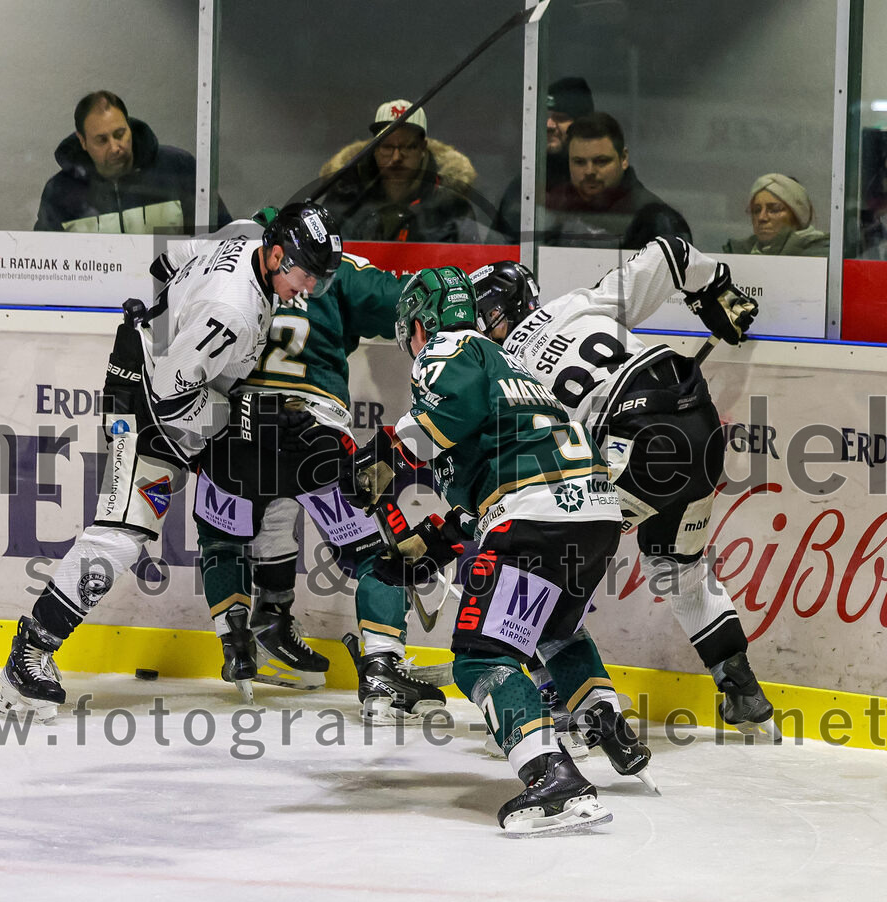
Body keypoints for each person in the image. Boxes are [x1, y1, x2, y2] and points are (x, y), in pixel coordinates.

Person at [0, 202, 343, 723]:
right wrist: (242, 415)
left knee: (265, 474)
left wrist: (167, 317)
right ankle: (28, 654)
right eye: (305, 274)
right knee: (121, 534)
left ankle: (266, 625)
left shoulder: (244, 233)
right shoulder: (231, 311)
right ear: (276, 256)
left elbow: (168, 260)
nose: (309, 288)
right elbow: (170, 394)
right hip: (145, 406)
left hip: (161, 381)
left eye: (319, 277)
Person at [340, 266, 655, 835]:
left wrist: (380, 456)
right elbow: (483, 493)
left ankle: (552, 778)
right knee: (553, 630)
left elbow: (444, 417)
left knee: (481, 656)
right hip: (592, 514)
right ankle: (606, 723)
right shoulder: (514, 367)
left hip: (534, 515)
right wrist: (433, 544)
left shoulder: (448, 350)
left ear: (420, 325)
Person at [470, 240, 780, 739]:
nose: (480, 325)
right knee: (678, 567)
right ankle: (740, 684)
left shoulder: (499, 368)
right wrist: (715, 289)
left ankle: (561, 695)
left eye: (483, 314)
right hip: (700, 427)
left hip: (633, 445)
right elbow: (670, 251)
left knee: (545, 564)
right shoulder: (578, 303)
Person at [193, 227, 445, 720]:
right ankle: (381, 667)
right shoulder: (336, 269)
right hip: (313, 434)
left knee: (223, 534)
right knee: (376, 552)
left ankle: (241, 642)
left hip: (235, 431)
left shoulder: (230, 262)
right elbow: (408, 299)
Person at [35, 89, 231, 234]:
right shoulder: (60, 192)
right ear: (83, 141)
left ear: (129, 127)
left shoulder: (177, 168)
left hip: (173, 277)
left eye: (120, 134)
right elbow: (45, 258)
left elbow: (223, 237)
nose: (115, 147)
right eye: (102, 140)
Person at [319, 99, 480, 243]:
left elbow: (471, 260)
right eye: (387, 147)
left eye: (408, 147)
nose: (396, 157)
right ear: (375, 148)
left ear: (423, 148)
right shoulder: (344, 200)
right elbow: (320, 257)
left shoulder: (451, 205)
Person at [541, 111, 692, 249]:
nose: (589, 171)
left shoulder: (659, 223)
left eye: (601, 161)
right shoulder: (556, 211)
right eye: (579, 162)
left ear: (623, 159)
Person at [491, 76, 595, 244]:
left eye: (560, 118)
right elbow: (498, 245)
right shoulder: (523, 184)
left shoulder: (598, 182)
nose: (549, 125)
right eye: (546, 116)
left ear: (583, 124)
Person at [724, 173, 830, 257]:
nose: (761, 218)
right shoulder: (737, 254)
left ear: (797, 216)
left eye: (774, 210)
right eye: (756, 210)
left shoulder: (820, 257)